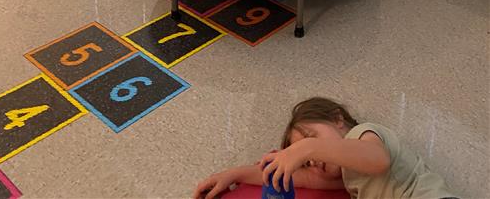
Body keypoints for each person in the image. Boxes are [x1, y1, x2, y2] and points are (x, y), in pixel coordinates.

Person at [194, 97, 458, 199]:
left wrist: (307, 149)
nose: (314, 160)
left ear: (337, 119)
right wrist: (235, 174)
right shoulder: (343, 174)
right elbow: (301, 178)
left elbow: (378, 161)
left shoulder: (364, 134)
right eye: (309, 159)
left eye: (312, 136)